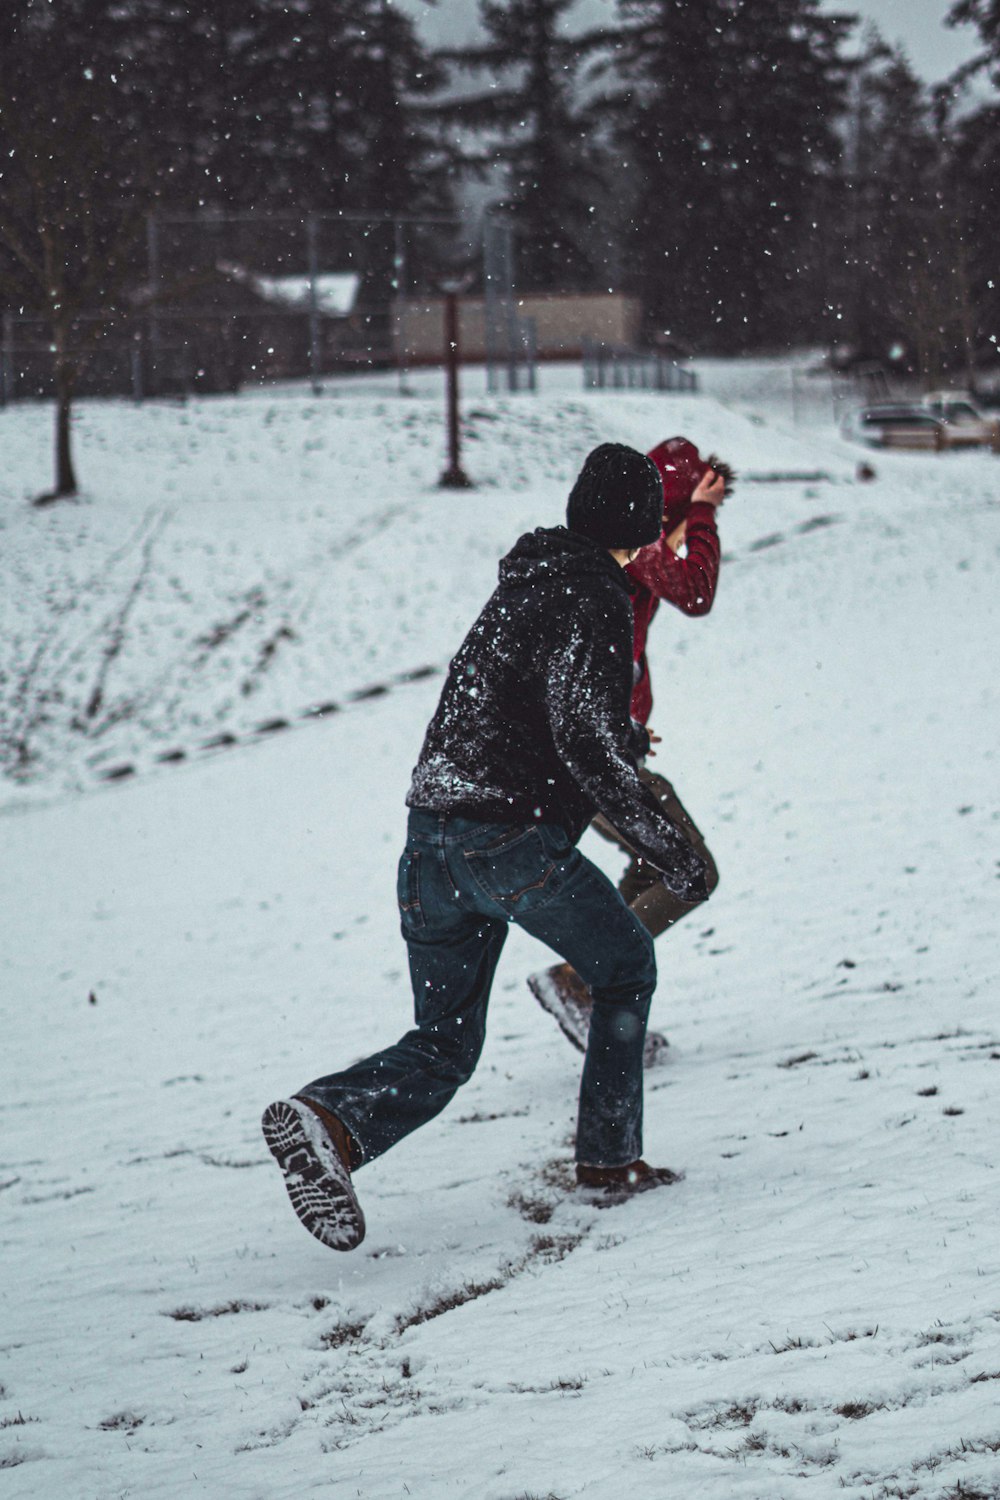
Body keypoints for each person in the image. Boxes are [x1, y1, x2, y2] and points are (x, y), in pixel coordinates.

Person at [262, 442, 711, 1252]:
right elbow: (583, 736)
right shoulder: (597, 595)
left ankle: (328, 1119)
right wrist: (664, 844)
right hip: (509, 843)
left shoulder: (526, 582)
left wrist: (621, 739)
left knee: (443, 1044)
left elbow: (527, 707)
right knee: (625, 969)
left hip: (428, 843)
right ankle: (610, 1164)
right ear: (640, 523)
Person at [528, 437, 733, 1061]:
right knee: (690, 869)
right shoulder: (636, 545)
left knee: (657, 865)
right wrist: (701, 517)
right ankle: (580, 979)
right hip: (589, 754)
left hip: (597, 743)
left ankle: (591, 990)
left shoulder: (621, 543)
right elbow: (694, 593)